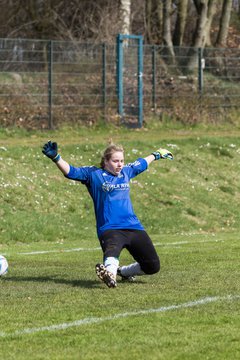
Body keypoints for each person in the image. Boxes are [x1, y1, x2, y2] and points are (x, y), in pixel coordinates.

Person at [42, 141, 173, 288]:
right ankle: (110, 276)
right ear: (105, 161)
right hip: (110, 228)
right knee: (112, 252)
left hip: (133, 227)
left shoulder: (126, 172)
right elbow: (71, 171)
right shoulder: (93, 175)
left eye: (122, 161)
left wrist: (157, 154)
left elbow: (142, 163)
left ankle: (122, 272)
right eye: (115, 161)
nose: (120, 164)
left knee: (152, 266)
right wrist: (56, 158)